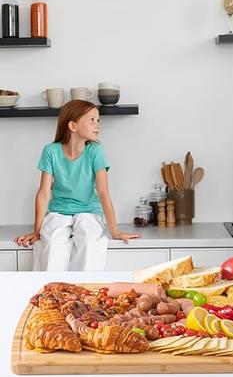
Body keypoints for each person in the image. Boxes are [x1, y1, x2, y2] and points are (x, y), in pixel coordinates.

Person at [15, 100, 141, 270]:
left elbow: (103, 193)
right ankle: (52, 292)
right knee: (52, 243)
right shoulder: (51, 151)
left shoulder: (95, 152)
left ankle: (82, 290)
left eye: (98, 120)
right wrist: (37, 231)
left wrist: (115, 231)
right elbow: (44, 193)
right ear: (73, 126)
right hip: (59, 211)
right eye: (92, 120)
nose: (97, 125)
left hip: (88, 211)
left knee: (89, 242)